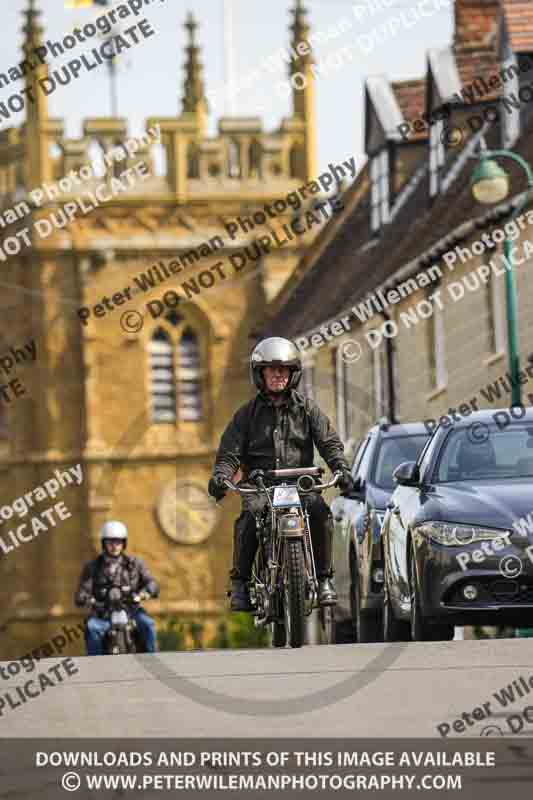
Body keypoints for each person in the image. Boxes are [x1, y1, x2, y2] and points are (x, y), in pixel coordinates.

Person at [208, 336, 354, 612]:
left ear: (293, 373)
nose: (278, 374)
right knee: (250, 516)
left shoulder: (308, 409)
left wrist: (341, 468)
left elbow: (329, 443)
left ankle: (324, 579)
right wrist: (220, 476)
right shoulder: (246, 416)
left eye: (283, 369)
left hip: (301, 485)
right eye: (271, 369)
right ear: (259, 374)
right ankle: (240, 583)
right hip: (262, 486)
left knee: (321, 512)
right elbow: (230, 453)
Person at [75, 520, 159, 655]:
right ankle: (93, 665)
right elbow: (81, 592)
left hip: (132, 611)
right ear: (104, 543)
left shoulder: (135, 564)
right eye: (110, 542)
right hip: (104, 614)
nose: (114, 546)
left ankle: (154, 660)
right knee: (91, 628)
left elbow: (151, 583)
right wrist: (87, 599)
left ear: (123, 543)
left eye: (118, 542)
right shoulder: (93, 567)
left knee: (148, 624)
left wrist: (145, 593)